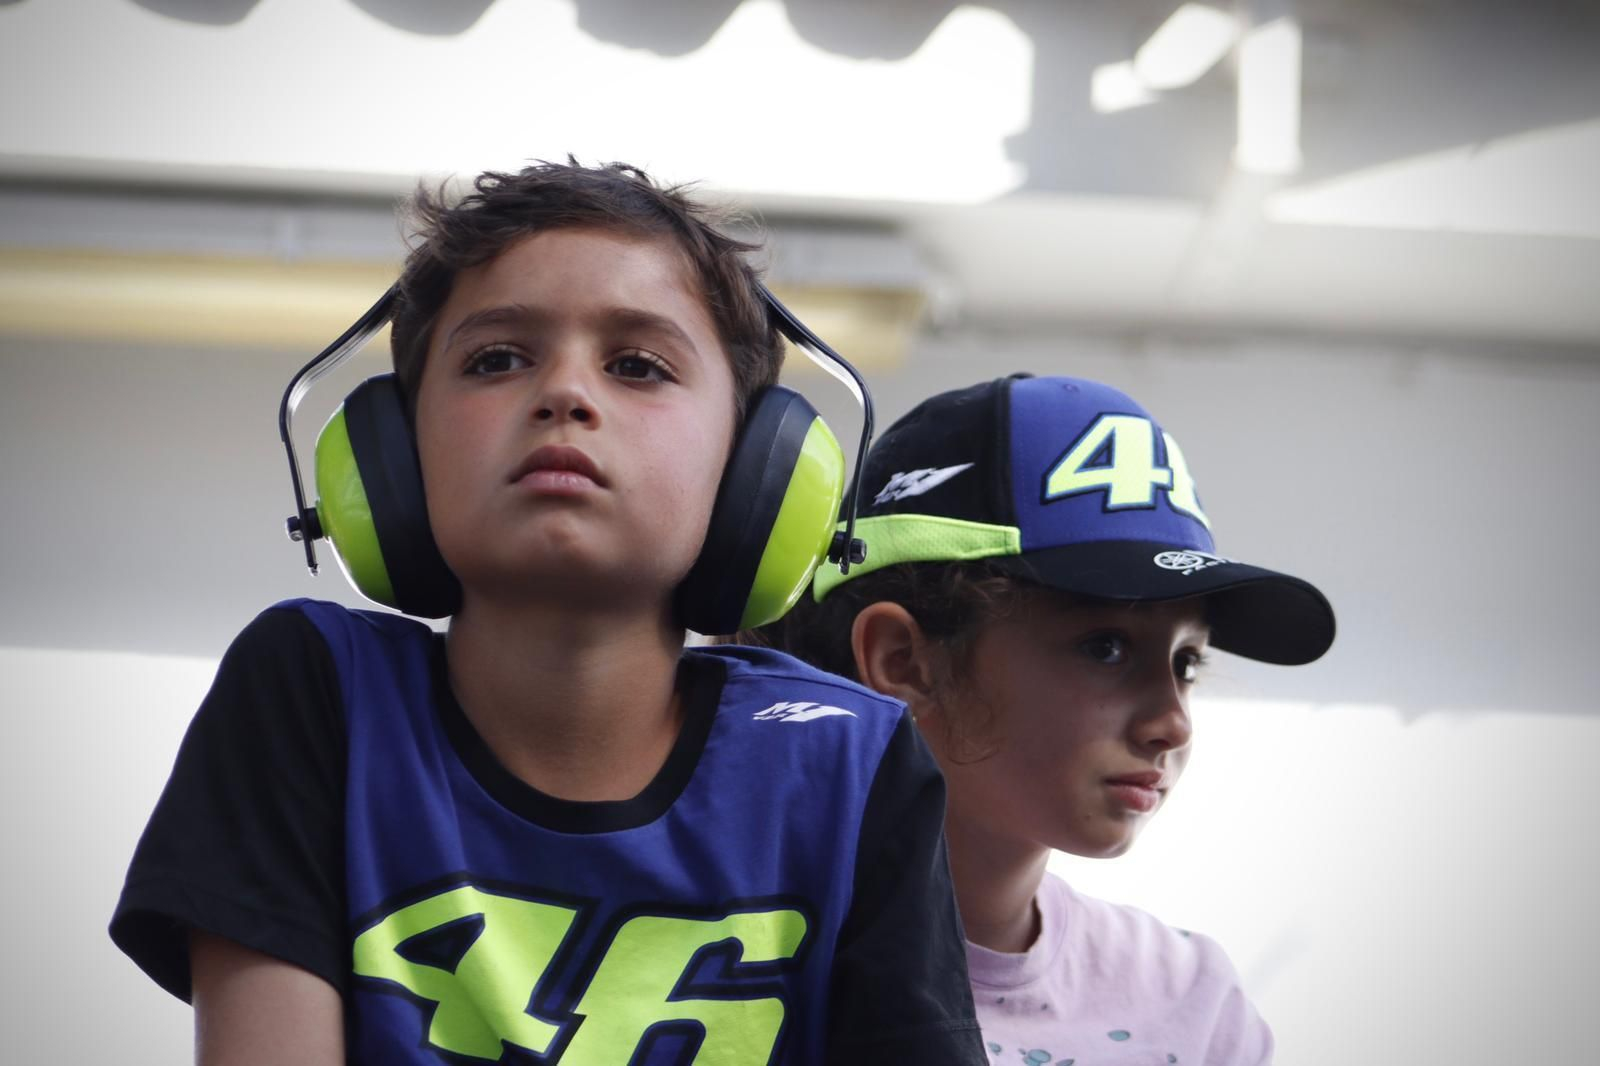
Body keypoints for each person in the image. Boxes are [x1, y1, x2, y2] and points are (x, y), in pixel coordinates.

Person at [110, 161, 986, 1064]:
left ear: (757, 473)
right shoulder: (318, 693)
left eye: (638, 366)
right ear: (393, 452)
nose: (564, 394)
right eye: (496, 359)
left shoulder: (847, 762)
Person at [744, 373, 1336, 1064]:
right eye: (1107, 647)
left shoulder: (1192, 1000)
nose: (1173, 725)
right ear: (905, 661)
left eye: (1187, 663)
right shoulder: (709, 962)